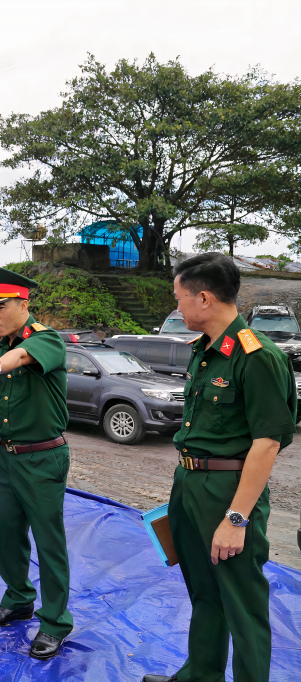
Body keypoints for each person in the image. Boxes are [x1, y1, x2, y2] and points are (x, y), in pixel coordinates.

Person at [141, 253, 296, 682]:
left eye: (180, 299)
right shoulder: (206, 352)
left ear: (204, 298)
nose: (178, 308)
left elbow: (267, 444)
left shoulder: (258, 356)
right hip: (189, 485)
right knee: (204, 595)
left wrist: (236, 517)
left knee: (242, 604)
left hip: (229, 492)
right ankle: (200, 675)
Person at [0, 265, 72, 660]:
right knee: (6, 533)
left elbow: (23, 357)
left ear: (23, 302)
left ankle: (55, 622)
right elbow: (6, 401)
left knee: (49, 542)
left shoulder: (46, 340)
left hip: (43, 457)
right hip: (9, 457)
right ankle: (18, 598)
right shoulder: (0, 344)